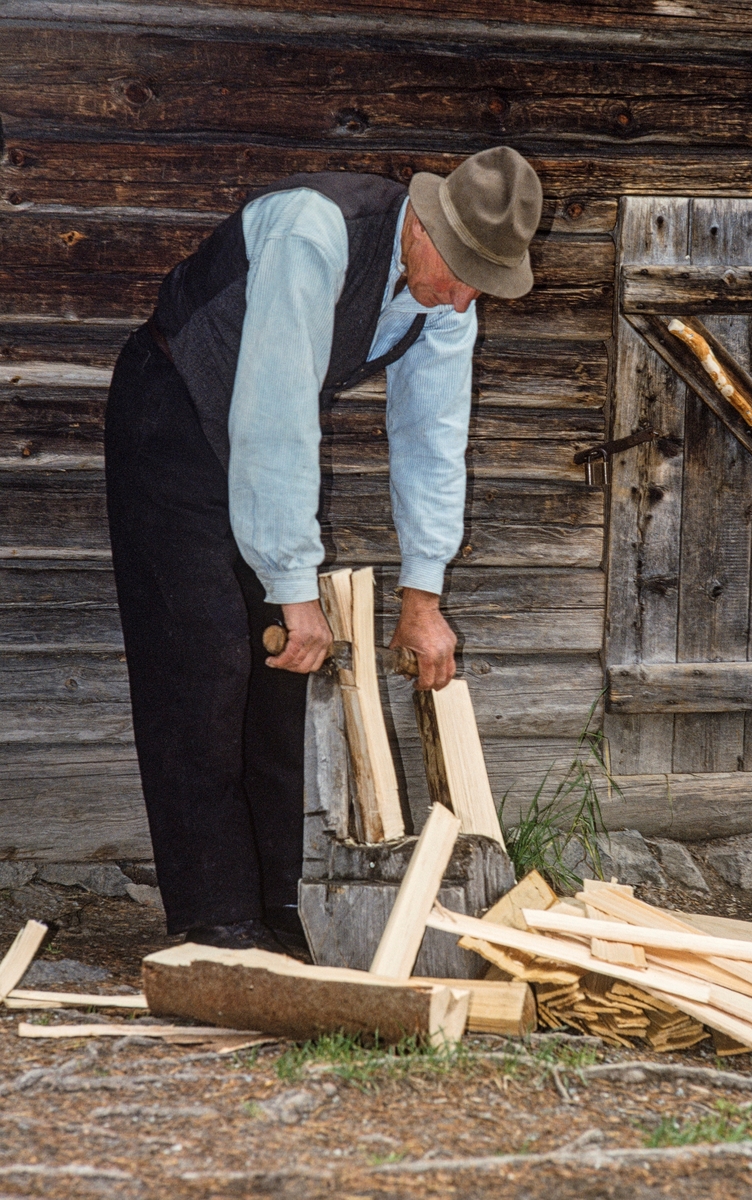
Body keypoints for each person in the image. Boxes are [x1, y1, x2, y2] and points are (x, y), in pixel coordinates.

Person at [104, 146, 543, 955]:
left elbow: (433, 437)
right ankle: (214, 924)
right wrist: (292, 585)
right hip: (169, 412)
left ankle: (272, 917)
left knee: (279, 675)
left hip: (251, 436)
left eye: (485, 280)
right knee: (204, 662)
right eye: (463, 271)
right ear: (423, 225)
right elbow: (275, 415)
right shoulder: (315, 231)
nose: (465, 295)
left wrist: (423, 596)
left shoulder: (446, 292)